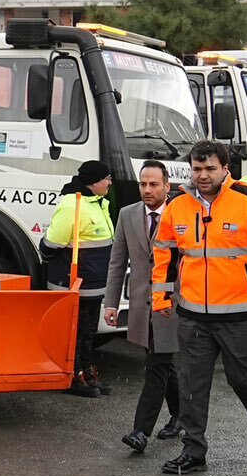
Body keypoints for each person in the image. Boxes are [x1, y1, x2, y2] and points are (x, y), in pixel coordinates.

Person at [152, 139, 247, 475]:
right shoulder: (177, 205)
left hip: (240, 315)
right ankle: (194, 451)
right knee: (191, 384)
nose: (202, 175)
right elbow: (163, 254)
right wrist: (160, 296)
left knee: (243, 379)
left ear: (225, 169)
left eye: (210, 168)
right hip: (193, 315)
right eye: (197, 169)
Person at [103, 159, 182, 450]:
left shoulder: (181, 214)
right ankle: (180, 415)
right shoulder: (127, 214)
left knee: (156, 367)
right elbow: (117, 261)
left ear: (167, 186)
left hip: (172, 306)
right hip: (141, 305)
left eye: (154, 184)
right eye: (143, 184)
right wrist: (111, 303)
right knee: (163, 363)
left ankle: (141, 431)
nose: (147, 190)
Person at [45, 159, 116, 397]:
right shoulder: (71, 204)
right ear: (94, 182)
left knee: (88, 332)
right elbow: (53, 242)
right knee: (73, 332)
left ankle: (87, 372)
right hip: (74, 282)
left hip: (94, 283)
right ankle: (72, 376)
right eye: (106, 178)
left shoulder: (98, 203)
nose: (110, 182)